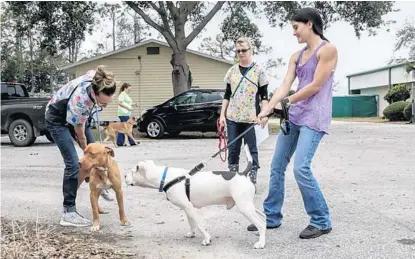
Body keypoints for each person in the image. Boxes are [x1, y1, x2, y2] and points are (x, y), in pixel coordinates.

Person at [247, 7, 338, 239]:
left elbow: (316, 85)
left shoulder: (327, 50)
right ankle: (272, 215)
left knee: (301, 168)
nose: (294, 33)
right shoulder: (295, 56)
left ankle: (321, 220)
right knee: (277, 165)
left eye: (296, 27)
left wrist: (286, 101)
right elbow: (285, 85)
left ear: (309, 24)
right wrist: (267, 109)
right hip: (295, 116)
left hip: (314, 116)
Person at [45, 65, 117, 227]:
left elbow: (98, 69)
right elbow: (81, 136)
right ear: (95, 93)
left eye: (107, 104)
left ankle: (100, 184)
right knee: (75, 163)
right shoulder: (81, 100)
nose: (103, 106)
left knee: (94, 156)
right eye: (101, 103)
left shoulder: (97, 78)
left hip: (75, 117)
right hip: (57, 119)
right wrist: (89, 155)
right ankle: (68, 212)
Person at [219, 37, 269, 185]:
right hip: (232, 117)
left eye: (244, 50)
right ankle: (232, 179)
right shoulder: (232, 71)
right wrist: (222, 116)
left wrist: (264, 113)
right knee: (233, 148)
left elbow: (264, 97)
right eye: (238, 51)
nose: (241, 53)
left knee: (250, 149)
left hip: (250, 119)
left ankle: (251, 179)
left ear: (250, 50)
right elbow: (227, 95)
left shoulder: (259, 71)